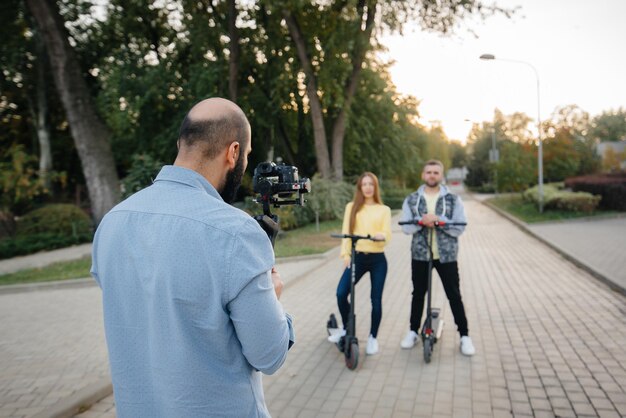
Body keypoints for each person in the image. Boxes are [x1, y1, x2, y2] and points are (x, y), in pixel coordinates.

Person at [91, 98, 295, 418]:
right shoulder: (236, 232)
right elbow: (269, 355)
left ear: (181, 144)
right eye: (247, 155)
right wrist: (275, 300)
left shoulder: (112, 223)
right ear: (234, 152)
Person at [399, 159, 475, 356]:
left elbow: (460, 226)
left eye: (435, 172)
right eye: (428, 172)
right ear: (423, 175)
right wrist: (422, 221)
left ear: (441, 176)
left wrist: (439, 221)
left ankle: (465, 336)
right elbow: (406, 227)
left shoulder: (453, 199)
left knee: (454, 294)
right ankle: (412, 332)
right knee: (418, 294)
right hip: (420, 253)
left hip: (446, 255)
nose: (432, 175)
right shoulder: (412, 199)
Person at [328, 172, 391, 356]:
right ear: (360, 187)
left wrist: (382, 236)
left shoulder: (384, 209)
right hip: (357, 257)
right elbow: (346, 232)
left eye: (371, 184)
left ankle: (373, 338)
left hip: (378, 259)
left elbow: (387, 235)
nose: (368, 187)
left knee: (376, 300)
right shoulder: (352, 207)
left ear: (375, 187)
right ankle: (348, 325)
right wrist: (345, 255)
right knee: (341, 293)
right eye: (364, 184)